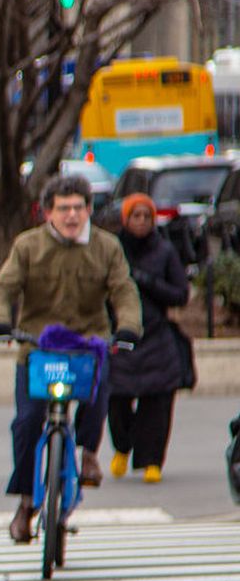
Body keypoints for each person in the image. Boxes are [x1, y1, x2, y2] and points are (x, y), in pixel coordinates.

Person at [0, 172, 143, 544]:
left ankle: (88, 454)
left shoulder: (107, 247)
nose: (72, 216)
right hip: (38, 350)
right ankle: (26, 503)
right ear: (47, 212)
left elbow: (124, 290)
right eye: (63, 209)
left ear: (89, 210)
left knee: (100, 385)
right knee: (26, 424)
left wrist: (128, 327)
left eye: (78, 208)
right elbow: (3, 289)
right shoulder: (28, 246)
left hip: (88, 348)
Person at [107, 193, 190, 483]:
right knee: (115, 397)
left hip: (156, 336)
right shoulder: (113, 249)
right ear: (125, 219)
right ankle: (122, 446)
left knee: (157, 401)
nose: (141, 222)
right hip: (121, 335)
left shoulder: (164, 251)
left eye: (147, 216)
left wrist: (147, 281)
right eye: (135, 216)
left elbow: (180, 294)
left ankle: (151, 460)